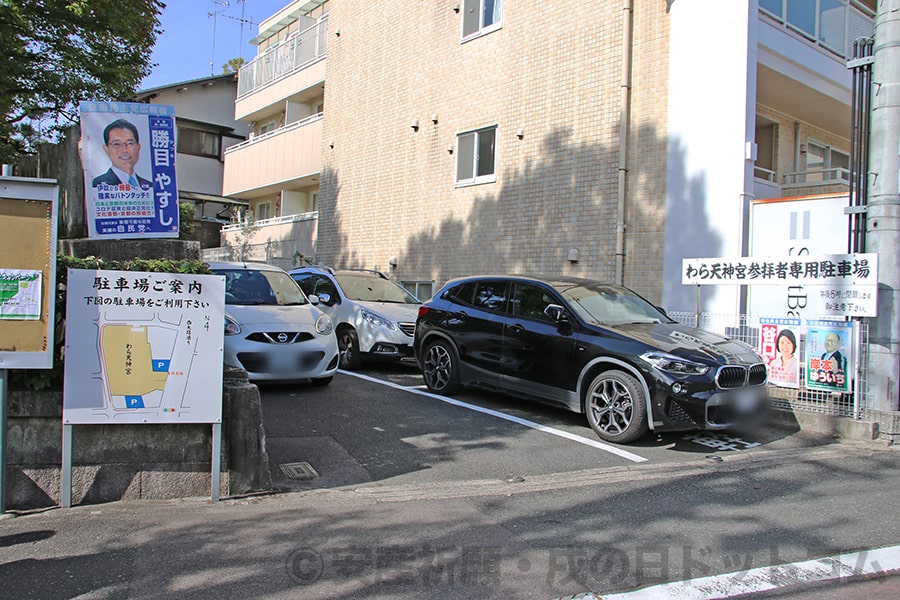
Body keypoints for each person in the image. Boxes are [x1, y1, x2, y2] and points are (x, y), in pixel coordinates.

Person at [91, 118, 151, 188]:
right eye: (116, 144)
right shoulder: (98, 184)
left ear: (138, 147)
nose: (124, 150)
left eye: (130, 143)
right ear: (106, 149)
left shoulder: (150, 186)